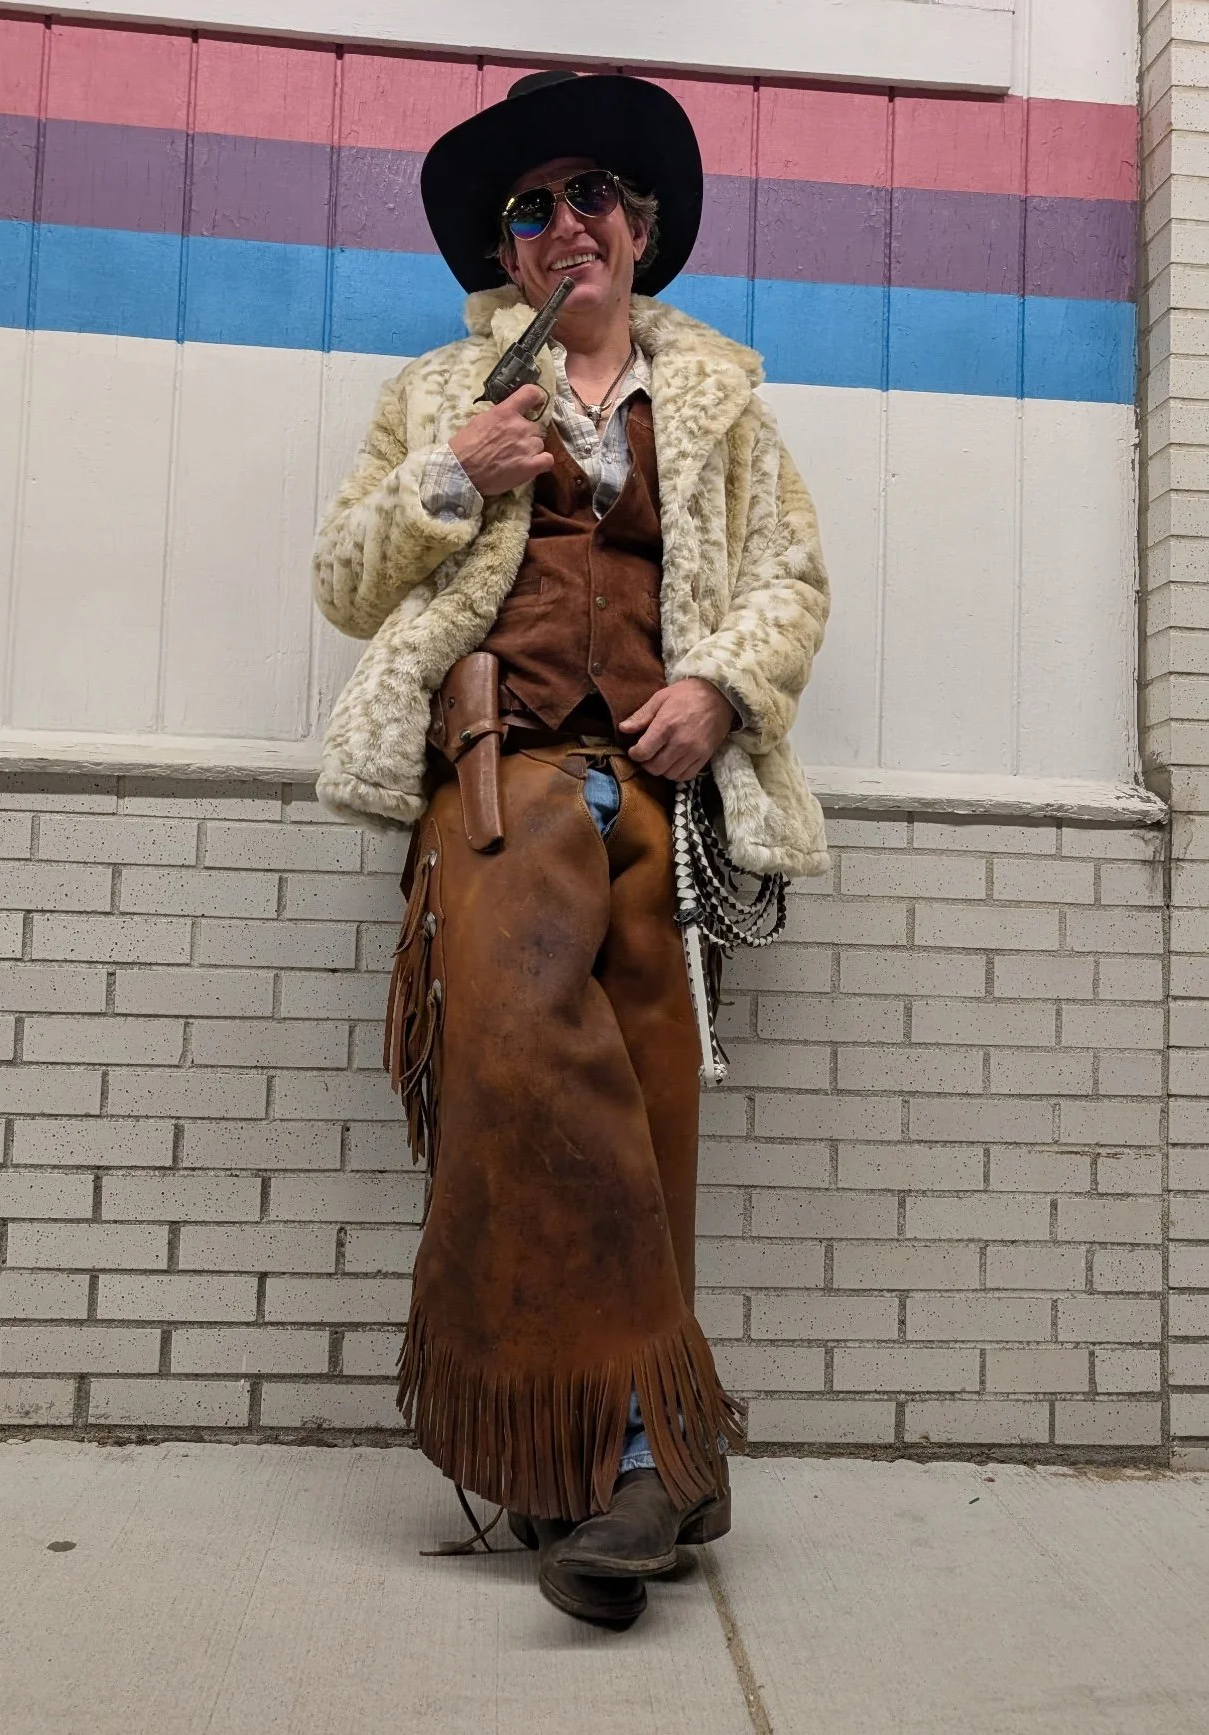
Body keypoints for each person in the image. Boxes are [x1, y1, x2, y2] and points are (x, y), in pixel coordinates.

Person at [312, 69, 830, 1627]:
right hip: (503, 775)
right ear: (508, 252)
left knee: (646, 1101)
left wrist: (719, 688)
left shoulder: (722, 398)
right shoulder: (436, 396)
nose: (561, 225)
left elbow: (791, 582)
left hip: (663, 800)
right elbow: (344, 578)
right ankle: (648, 1446)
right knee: (530, 1060)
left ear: (642, 226)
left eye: (589, 195)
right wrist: (450, 474)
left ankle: (599, 1470)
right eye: (528, 209)